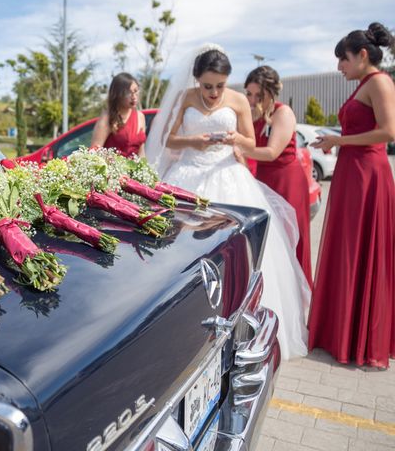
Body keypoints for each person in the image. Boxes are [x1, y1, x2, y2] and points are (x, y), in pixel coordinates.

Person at [145, 44, 311, 360]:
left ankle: (240, 322)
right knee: (182, 252)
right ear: (196, 80)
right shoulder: (186, 99)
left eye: (219, 86)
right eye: (207, 86)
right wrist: (194, 141)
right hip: (188, 177)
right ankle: (184, 321)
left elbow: (250, 141)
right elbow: (167, 139)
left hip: (228, 177)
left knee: (236, 253)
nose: (213, 92)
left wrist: (234, 140)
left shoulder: (237, 101)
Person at [308, 22, 395, 369]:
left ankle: (357, 337)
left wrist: (337, 141)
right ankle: (341, 332)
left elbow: (388, 132)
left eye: (342, 59)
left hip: (367, 176)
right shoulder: (364, 83)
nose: (338, 66)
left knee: (359, 248)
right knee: (347, 248)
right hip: (352, 174)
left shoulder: (379, 81)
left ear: (361, 55)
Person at [243, 66, 313, 288]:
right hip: (262, 181)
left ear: (271, 94)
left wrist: (237, 146)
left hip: (286, 181)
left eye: (259, 95)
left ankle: (294, 292)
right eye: (249, 94)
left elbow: (272, 152)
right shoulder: (250, 114)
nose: (253, 100)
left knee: (289, 238)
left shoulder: (283, 113)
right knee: (268, 242)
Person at [90, 72, 146, 157]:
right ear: (118, 94)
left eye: (135, 91)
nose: (134, 96)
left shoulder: (140, 116)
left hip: (135, 168)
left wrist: (145, 168)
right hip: (113, 167)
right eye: (128, 93)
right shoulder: (108, 117)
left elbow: (141, 152)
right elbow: (94, 151)